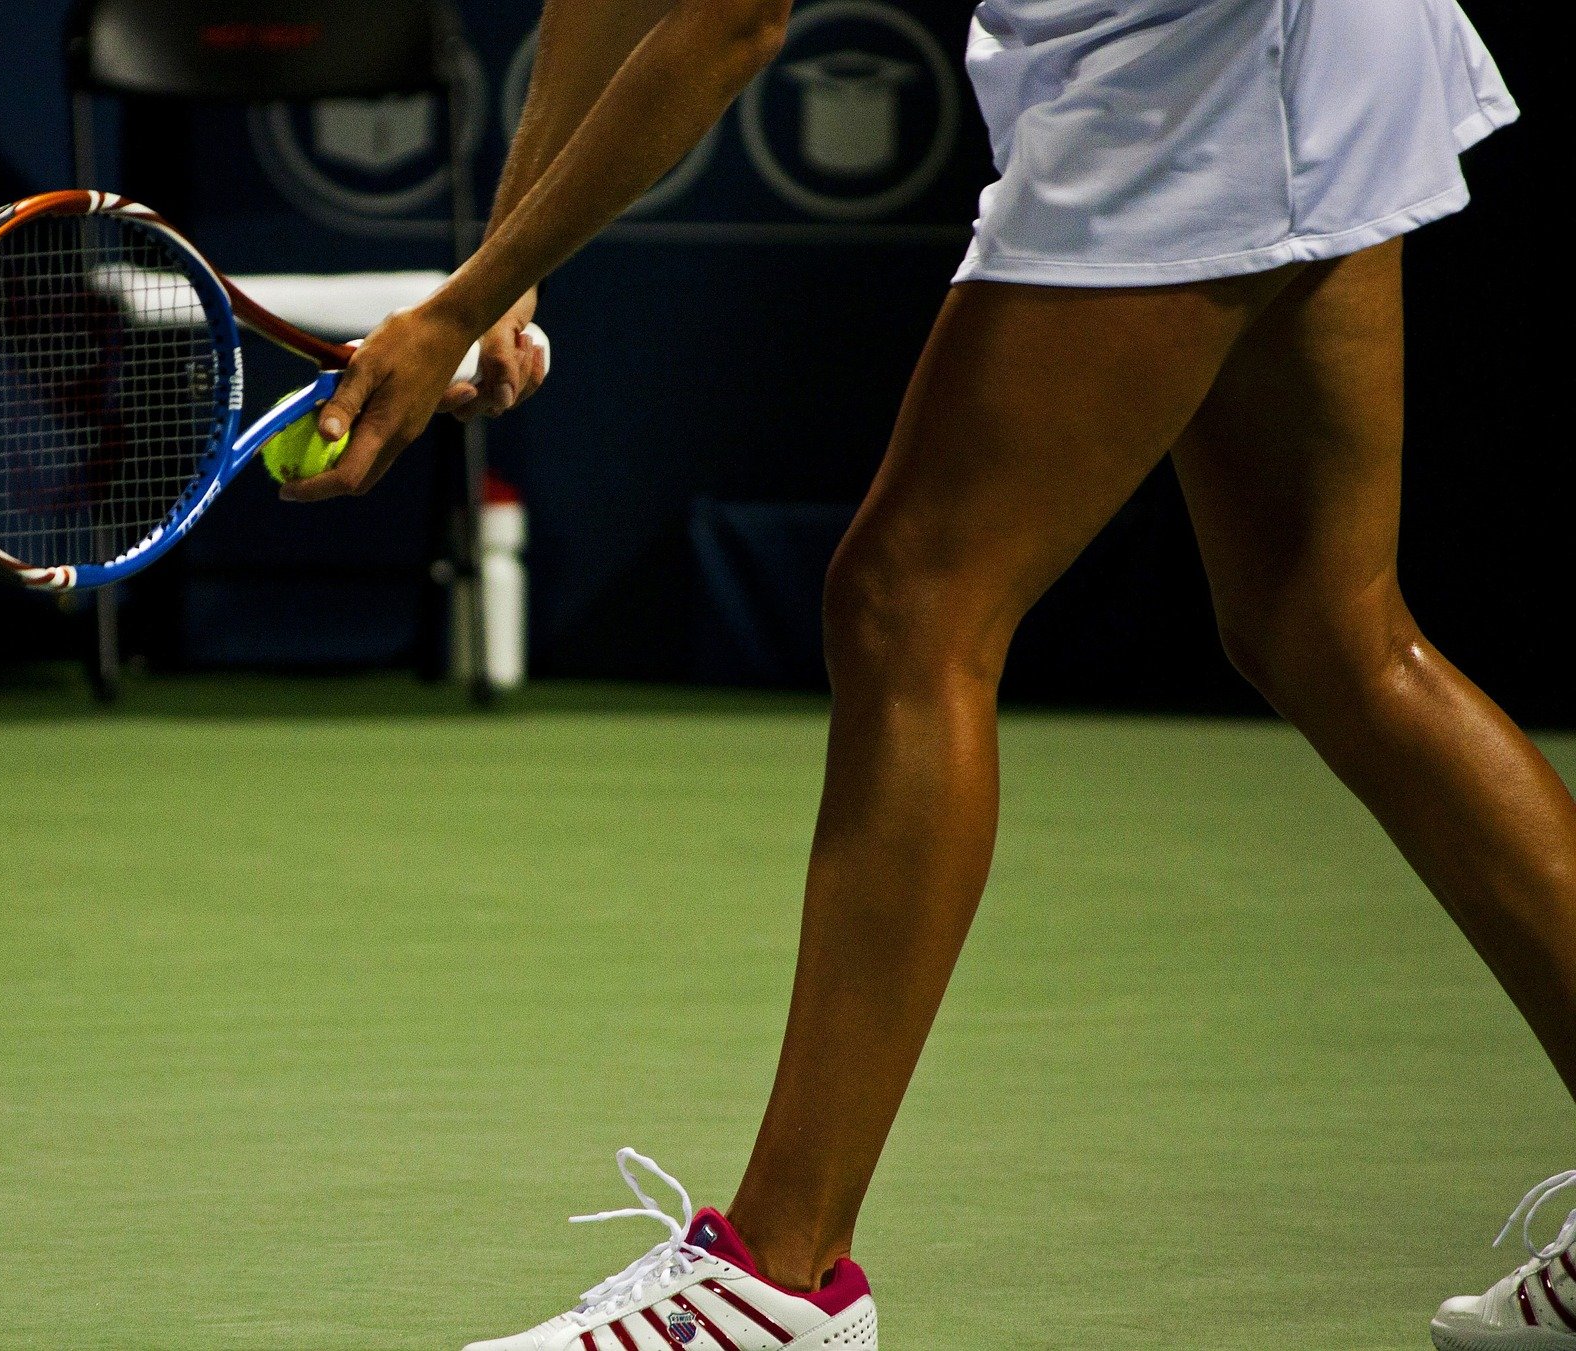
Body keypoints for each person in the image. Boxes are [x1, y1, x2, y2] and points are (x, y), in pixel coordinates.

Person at [283, 1, 1571, 1347]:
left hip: (1200, 58)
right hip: (1290, 42)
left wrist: (459, 306)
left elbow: (729, 18)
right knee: (1331, 632)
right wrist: (504, 274)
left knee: (912, 605)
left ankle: (778, 1275)